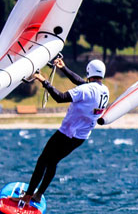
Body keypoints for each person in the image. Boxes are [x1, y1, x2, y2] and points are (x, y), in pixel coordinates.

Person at [20, 57, 109, 204]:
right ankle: (38, 194)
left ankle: (27, 196)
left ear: (89, 72)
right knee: (53, 161)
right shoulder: (104, 90)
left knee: (43, 160)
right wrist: (63, 68)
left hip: (67, 133)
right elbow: (82, 83)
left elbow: (60, 97)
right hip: (80, 138)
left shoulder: (86, 89)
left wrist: (43, 81)